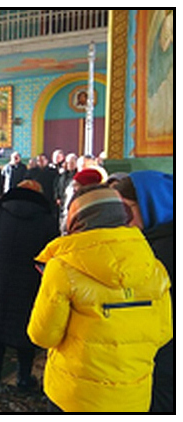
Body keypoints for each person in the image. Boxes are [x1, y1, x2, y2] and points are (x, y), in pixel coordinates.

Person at [27, 185, 172, 412]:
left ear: (76, 220)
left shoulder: (62, 267)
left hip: (74, 394)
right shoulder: (155, 268)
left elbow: (42, 335)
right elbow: (165, 333)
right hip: (133, 396)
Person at [0, 180, 58, 393]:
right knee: (25, 332)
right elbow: (52, 258)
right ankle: (23, 378)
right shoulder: (47, 218)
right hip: (29, 282)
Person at [112, 171, 174, 413]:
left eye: (126, 210)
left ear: (151, 203)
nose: (122, 220)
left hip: (164, 356)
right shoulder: (152, 238)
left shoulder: (165, 249)